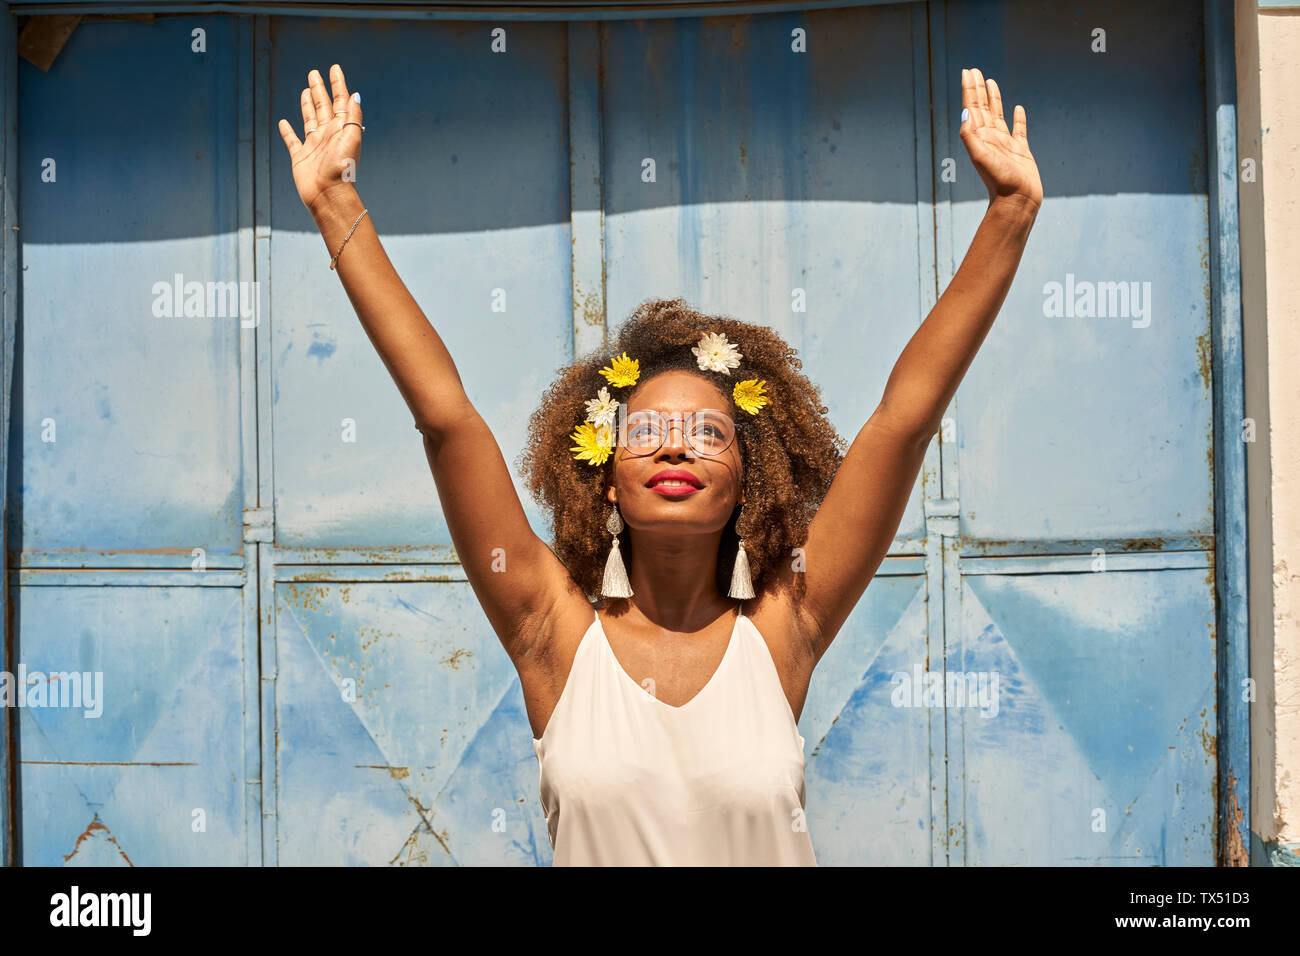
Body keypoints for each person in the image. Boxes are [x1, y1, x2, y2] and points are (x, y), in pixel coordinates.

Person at [278, 63, 1042, 866]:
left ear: (751, 481)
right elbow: (446, 420)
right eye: (649, 432)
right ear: (605, 475)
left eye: (707, 433)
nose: (676, 444)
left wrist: (1010, 214)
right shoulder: (552, 636)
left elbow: (903, 423)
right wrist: (336, 202)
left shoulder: (786, 629)